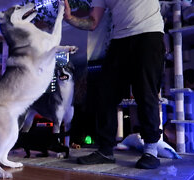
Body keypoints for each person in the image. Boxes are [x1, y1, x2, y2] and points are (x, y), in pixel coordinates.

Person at [63, 0, 165, 169]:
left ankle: (150, 151)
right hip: (119, 40)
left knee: (146, 92)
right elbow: (93, 22)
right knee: (105, 94)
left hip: (149, 34)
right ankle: (105, 150)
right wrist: (69, 18)